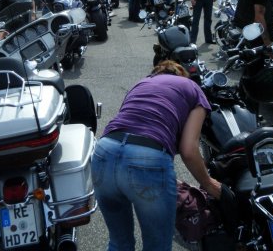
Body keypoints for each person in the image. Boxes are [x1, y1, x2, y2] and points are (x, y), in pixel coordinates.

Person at [91, 60, 222, 250]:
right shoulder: (192, 88)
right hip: (147, 158)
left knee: (119, 243)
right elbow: (189, 149)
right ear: (181, 75)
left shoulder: (141, 84)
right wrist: (208, 183)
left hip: (104, 152)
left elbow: (129, 128)